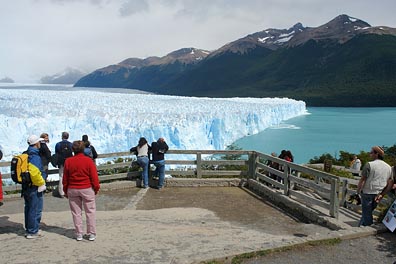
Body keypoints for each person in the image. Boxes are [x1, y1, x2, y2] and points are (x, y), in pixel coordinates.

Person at [63, 140, 100, 241]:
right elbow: (94, 177)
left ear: (73, 150)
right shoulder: (88, 161)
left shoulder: (68, 161)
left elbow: (65, 178)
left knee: (76, 212)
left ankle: (79, 233)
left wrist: (65, 190)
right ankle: (91, 233)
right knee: (90, 211)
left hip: (72, 189)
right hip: (87, 188)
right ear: (83, 149)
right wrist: (96, 188)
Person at [356, 146, 391, 226]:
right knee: (367, 213)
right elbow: (389, 183)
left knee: (367, 214)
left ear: (377, 154)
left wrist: (357, 192)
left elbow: (362, 180)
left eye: (371, 152)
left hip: (367, 192)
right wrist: (382, 194)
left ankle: (368, 228)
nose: (370, 154)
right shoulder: (389, 167)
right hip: (378, 193)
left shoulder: (369, 165)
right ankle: (360, 227)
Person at [24, 135, 47, 239]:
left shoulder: (26, 154)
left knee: (28, 207)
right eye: (39, 142)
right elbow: (34, 173)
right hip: (35, 186)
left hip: (27, 186)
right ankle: (33, 231)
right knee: (35, 208)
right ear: (36, 143)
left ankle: (29, 228)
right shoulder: (35, 156)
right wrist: (41, 183)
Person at [55, 132, 73, 198]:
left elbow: (56, 153)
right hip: (69, 162)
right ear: (68, 137)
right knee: (69, 176)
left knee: (61, 176)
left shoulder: (58, 144)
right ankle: (69, 191)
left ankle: (61, 192)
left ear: (62, 136)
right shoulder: (71, 144)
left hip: (61, 162)